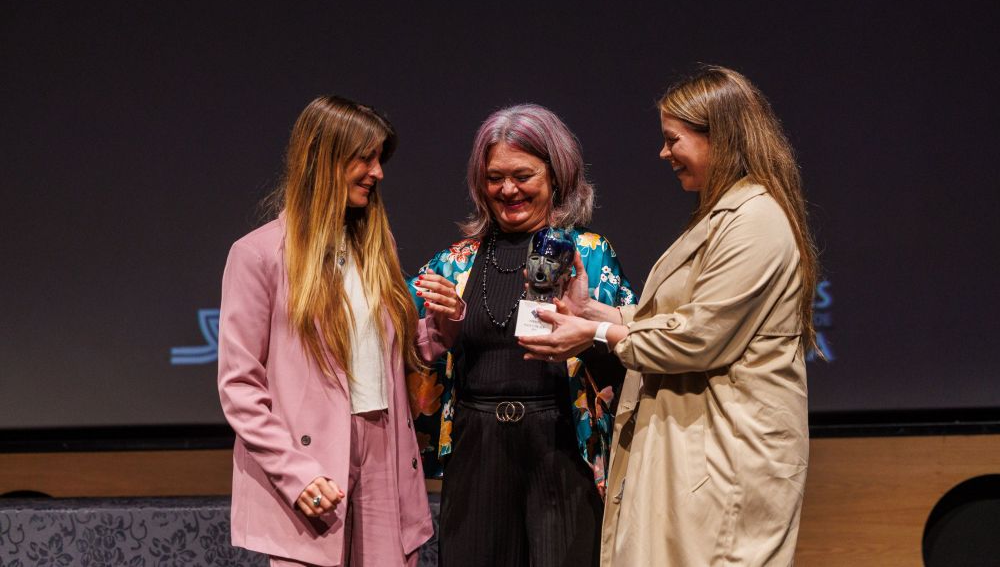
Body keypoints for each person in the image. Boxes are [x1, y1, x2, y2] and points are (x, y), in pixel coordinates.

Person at [520, 66, 820, 566]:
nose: (664, 153)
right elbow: (679, 314)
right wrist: (592, 308)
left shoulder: (756, 221)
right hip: (696, 443)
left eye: (672, 139)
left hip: (728, 451)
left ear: (718, 137)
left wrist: (594, 331)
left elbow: (697, 337)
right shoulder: (724, 215)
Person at [217, 95, 464, 567]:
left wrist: (447, 319)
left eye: (379, 159)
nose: (378, 172)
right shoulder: (259, 255)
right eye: (365, 159)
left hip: (384, 449)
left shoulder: (377, 245)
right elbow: (240, 386)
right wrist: (296, 474)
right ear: (323, 159)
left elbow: (407, 352)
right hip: (312, 461)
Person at [407, 104, 635, 566]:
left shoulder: (589, 255)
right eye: (494, 177)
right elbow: (407, 358)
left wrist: (587, 322)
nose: (507, 189)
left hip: (562, 448)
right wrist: (437, 328)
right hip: (476, 450)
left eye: (523, 175)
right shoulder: (454, 263)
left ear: (557, 176)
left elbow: (627, 359)